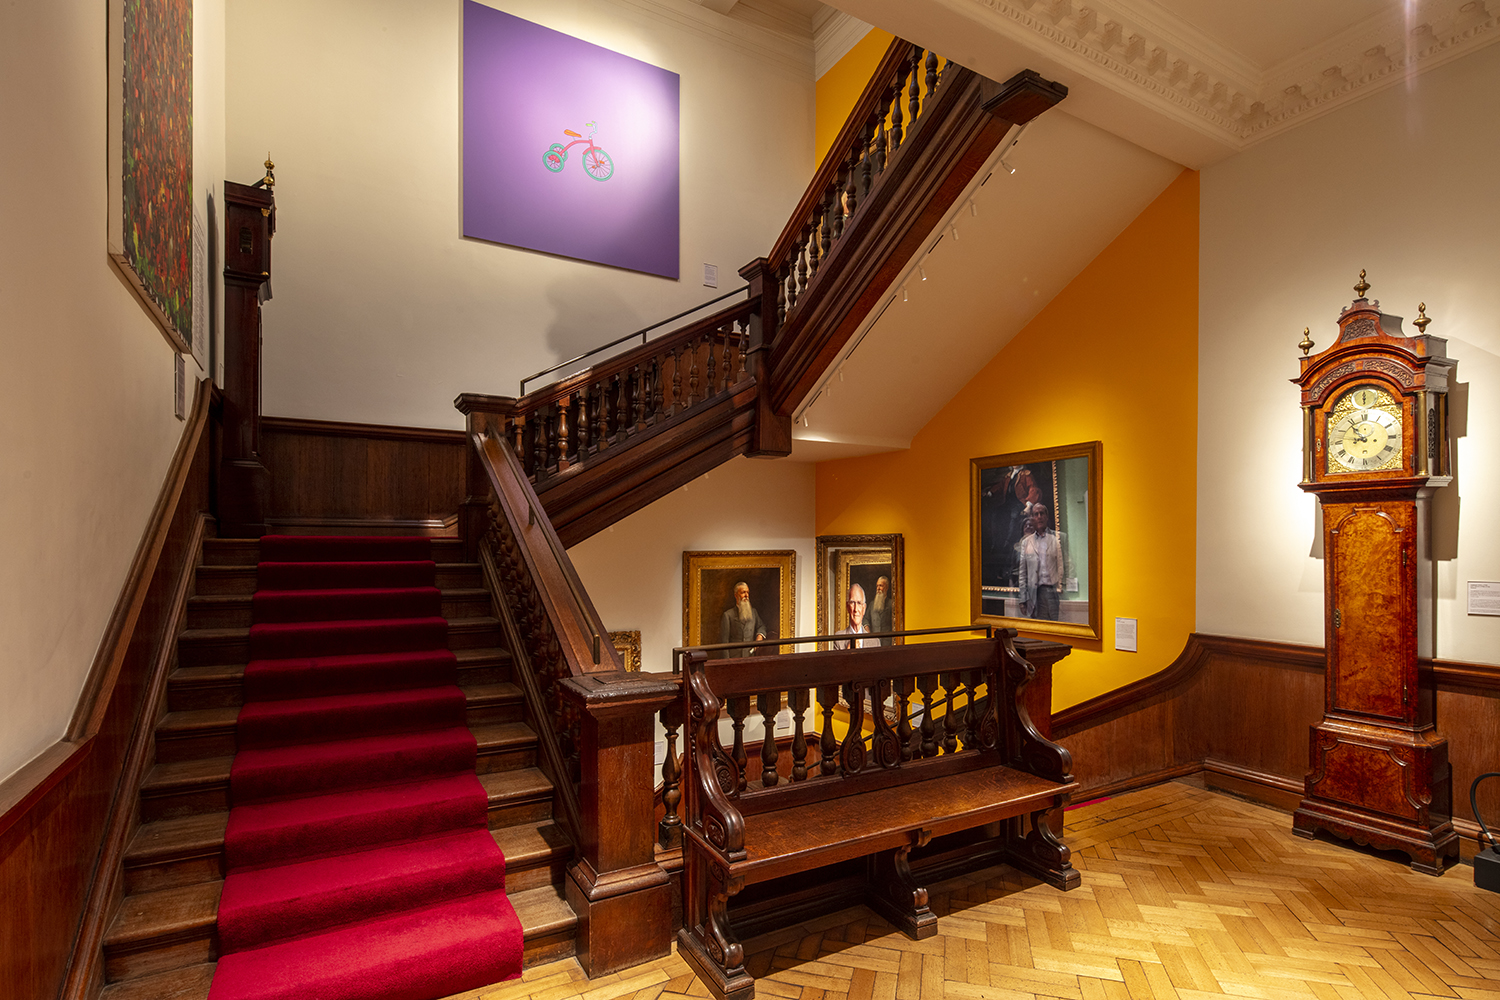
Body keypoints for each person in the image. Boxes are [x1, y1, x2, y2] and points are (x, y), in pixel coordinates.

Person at [1015, 503, 1068, 621]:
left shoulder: (1059, 538)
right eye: (1036, 514)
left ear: (1047, 517)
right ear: (1032, 518)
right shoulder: (1026, 542)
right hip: (1035, 594)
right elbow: (1022, 573)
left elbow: (1068, 565)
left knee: (1057, 627)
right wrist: (1022, 599)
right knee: (1040, 627)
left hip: (1054, 592)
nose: (1039, 517)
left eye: (1042, 513)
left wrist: (1066, 590)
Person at [719, 581, 767, 658]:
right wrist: (727, 661)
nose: (746, 595)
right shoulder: (728, 615)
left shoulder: (753, 612)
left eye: (747, 592)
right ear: (736, 595)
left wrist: (760, 635)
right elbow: (724, 643)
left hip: (750, 656)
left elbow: (761, 626)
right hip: (734, 658)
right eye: (743, 592)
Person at [831, 583, 880, 649]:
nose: (856, 609)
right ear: (847, 607)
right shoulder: (838, 639)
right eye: (852, 603)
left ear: (864, 608)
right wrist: (848, 650)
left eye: (859, 603)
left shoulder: (874, 642)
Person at [867, 575, 894, 645]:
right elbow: (865, 619)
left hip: (887, 642)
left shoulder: (891, 604)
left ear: (886, 587)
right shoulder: (872, 604)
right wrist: (868, 632)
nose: (878, 588)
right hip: (874, 642)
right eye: (877, 586)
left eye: (881, 586)